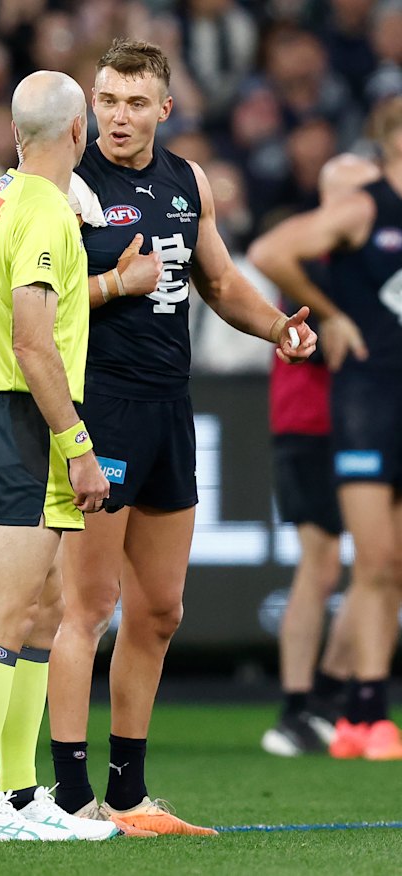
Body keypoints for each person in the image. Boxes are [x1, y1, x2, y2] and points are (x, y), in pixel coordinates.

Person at [47, 37, 317, 835]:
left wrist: (276, 328)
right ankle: (69, 800)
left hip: (169, 408)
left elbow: (222, 279)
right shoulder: (65, 185)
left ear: (166, 109)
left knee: (161, 609)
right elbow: (35, 304)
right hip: (99, 409)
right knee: (86, 608)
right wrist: (112, 286)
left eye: (135, 103)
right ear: (91, 104)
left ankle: (126, 795)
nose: (118, 116)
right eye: (106, 100)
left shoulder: (185, 180)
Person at [0, 70, 119, 843]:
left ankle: (19, 797)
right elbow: (32, 342)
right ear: (79, 132)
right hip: (23, 416)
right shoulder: (46, 212)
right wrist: (78, 446)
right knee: (7, 613)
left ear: (17, 133)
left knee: (45, 610)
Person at [247, 95, 402, 761]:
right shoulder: (348, 224)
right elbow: (273, 259)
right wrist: (336, 320)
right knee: (337, 561)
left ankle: (338, 700)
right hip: (334, 412)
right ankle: (313, 706)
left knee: (378, 564)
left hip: (367, 405)